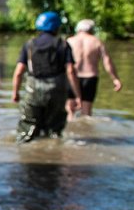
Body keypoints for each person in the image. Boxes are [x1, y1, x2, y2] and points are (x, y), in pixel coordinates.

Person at [12, 10, 82, 142]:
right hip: (57, 91)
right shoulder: (63, 44)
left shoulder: (29, 45)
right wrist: (78, 96)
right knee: (54, 129)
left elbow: (19, 71)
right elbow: (71, 71)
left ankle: (26, 155)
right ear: (57, 27)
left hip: (33, 91)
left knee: (28, 129)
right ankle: (54, 154)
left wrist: (15, 92)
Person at [65, 18, 122, 118]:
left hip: (72, 77)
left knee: (70, 110)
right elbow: (107, 61)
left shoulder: (69, 41)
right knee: (86, 113)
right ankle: (87, 132)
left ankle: (70, 131)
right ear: (92, 30)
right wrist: (115, 79)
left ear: (78, 29)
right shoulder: (97, 42)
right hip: (90, 77)